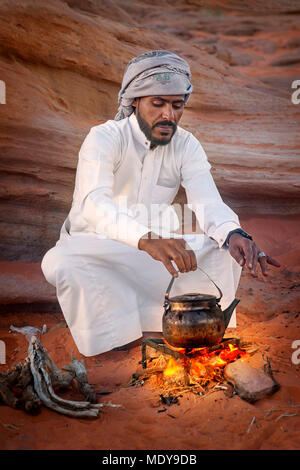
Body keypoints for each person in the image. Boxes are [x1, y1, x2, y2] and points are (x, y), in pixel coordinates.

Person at [41, 50, 280, 357]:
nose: (169, 114)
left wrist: (234, 233)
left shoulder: (186, 144)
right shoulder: (103, 138)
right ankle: (118, 339)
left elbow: (207, 200)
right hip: (95, 248)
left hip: (157, 253)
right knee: (61, 263)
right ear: (135, 100)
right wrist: (146, 239)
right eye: (158, 103)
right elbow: (94, 204)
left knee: (218, 250)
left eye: (177, 105)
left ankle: (178, 327)